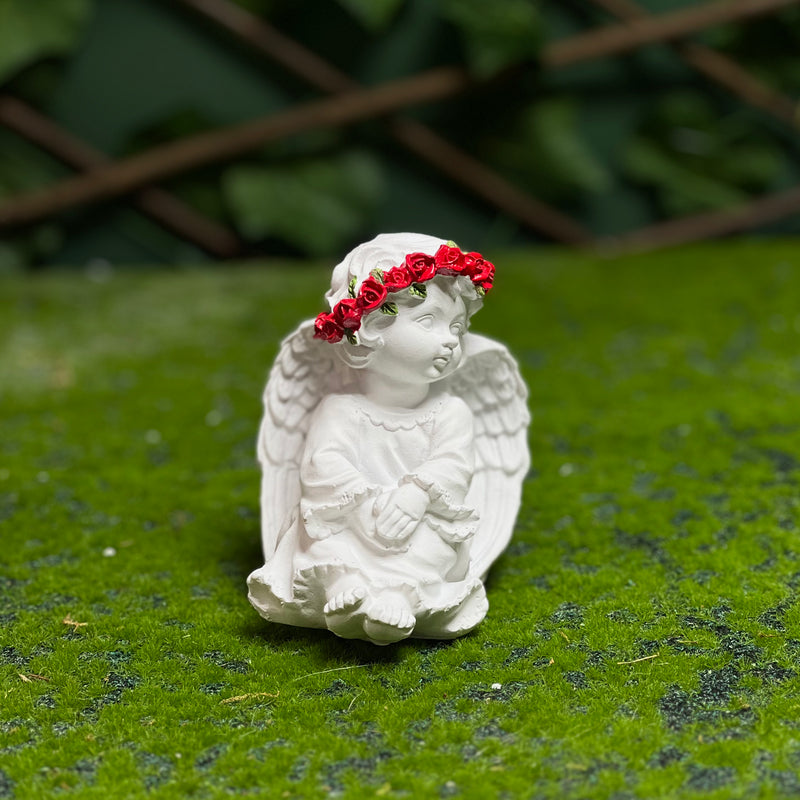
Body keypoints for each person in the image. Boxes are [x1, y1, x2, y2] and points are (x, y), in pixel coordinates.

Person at [248, 233, 529, 645]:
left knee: (434, 544)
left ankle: (398, 595)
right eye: (428, 321)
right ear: (371, 331)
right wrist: (363, 506)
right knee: (323, 534)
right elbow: (322, 465)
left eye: (457, 326)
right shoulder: (339, 408)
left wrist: (416, 494)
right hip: (355, 513)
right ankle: (342, 587)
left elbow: (454, 465)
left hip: (418, 520)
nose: (451, 339)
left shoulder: (451, 412)